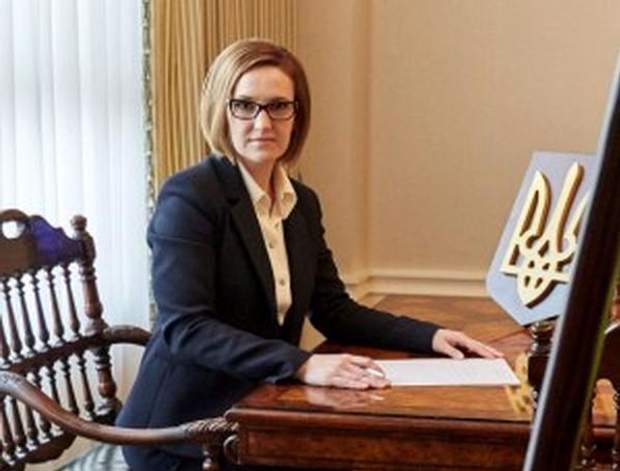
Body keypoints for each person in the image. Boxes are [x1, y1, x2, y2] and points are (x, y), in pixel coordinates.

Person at [117, 38, 502, 470]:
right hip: (182, 433)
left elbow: (333, 309)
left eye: (279, 106)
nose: (263, 122)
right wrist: (302, 364)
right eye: (245, 106)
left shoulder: (301, 202)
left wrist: (430, 337)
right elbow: (186, 327)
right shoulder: (190, 197)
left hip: (258, 410)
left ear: (297, 115)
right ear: (222, 112)